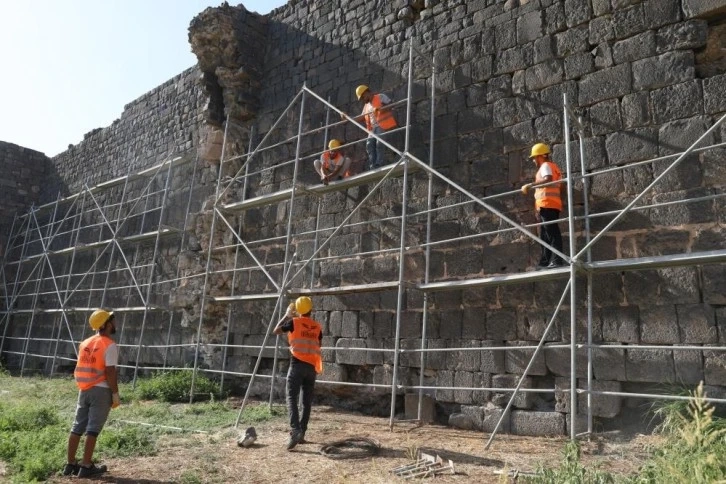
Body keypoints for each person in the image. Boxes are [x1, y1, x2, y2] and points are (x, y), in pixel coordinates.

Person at [63, 309, 121, 478]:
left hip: (84, 388)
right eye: (113, 320)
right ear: (108, 324)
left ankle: (71, 463)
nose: (115, 324)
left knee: (77, 426)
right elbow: (110, 372)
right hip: (101, 390)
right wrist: (115, 393)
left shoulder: (85, 343)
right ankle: (86, 465)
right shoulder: (109, 344)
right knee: (93, 429)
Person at [273, 296, 323, 451]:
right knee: (307, 402)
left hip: (296, 365)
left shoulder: (293, 322)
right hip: (311, 368)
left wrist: (287, 315)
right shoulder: (317, 326)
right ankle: (302, 433)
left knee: (291, 397)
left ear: (297, 310)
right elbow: (318, 344)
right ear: (311, 309)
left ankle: (295, 430)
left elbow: (276, 330)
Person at [521, 143, 565, 269]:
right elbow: (561, 186)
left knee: (551, 232)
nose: (534, 160)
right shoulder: (553, 167)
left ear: (540, 156)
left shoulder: (545, 166)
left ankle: (557, 260)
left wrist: (531, 185)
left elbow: (549, 179)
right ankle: (544, 261)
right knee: (545, 234)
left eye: (534, 157)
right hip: (549, 204)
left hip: (547, 204)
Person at [341, 84, 397, 170]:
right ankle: (372, 165)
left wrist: (381, 108)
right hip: (372, 129)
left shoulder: (380, 97)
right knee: (369, 145)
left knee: (379, 143)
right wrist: (348, 118)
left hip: (381, 125)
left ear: (366, 92)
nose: (363, 100)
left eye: (363, 97)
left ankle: (379, 163)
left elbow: (391, 104)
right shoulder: (366, 106)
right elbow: (361, 117)